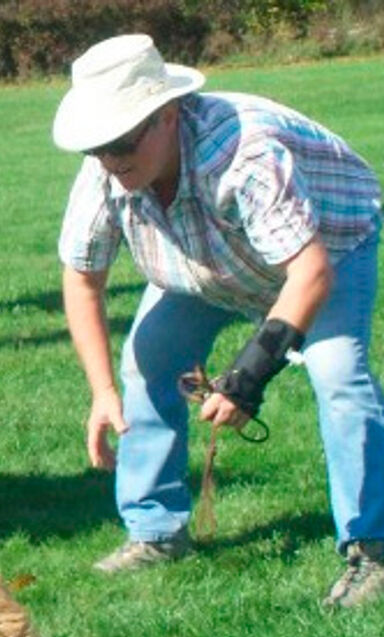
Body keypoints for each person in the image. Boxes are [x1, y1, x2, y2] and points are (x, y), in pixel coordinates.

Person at [52, 34, 383, 606]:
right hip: (208, 263)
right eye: (99, 146)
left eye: (124, 141)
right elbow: (82, 278)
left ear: (166, 116)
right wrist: (103, 392)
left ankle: (372, 549)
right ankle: (156, 532)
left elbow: (309, 274)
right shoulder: (106, 171)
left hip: (327, 247)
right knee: (147, 358)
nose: (112, 158)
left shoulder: (244, 153)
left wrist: (247, 379)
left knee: (337, 378)